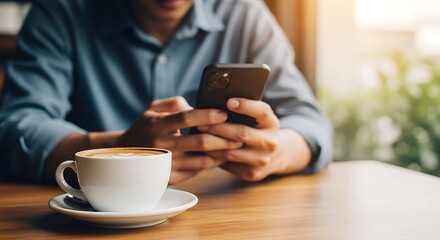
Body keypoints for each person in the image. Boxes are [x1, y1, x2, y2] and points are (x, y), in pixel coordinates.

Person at [0, 0, 333, 184]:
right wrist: (117, 150)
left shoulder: (244, 14)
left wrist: (275, 154)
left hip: (221, 218)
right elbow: (16, 129)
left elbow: (312, 124)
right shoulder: (61, 11)